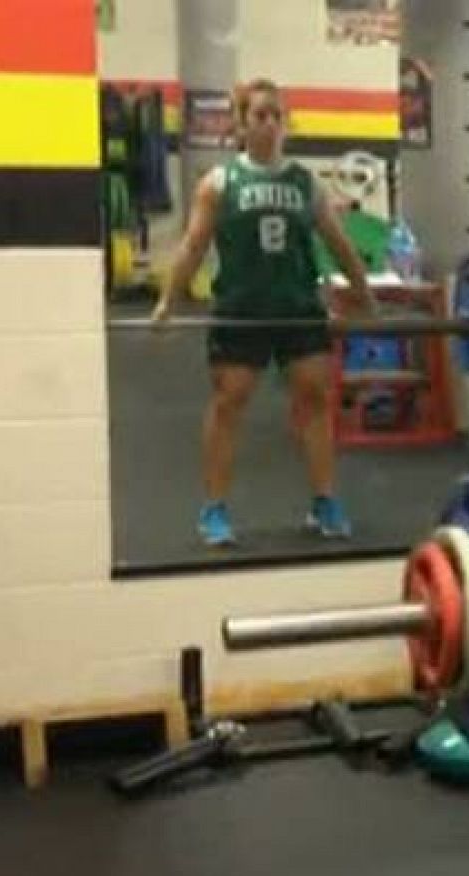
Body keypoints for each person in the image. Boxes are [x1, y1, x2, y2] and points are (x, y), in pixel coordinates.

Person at [153, 78, 376, 548]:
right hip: (242, 309)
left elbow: (339, 243)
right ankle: (213, 510)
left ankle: (324, 501)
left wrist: (365, 295)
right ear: (241, 124)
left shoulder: (306, 183)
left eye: (278, 115)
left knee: (314, 401)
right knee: (229, 404)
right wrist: (166, 304)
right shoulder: (219, 183)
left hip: (298, 307)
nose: (271, 123)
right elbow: (193, 246)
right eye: (261, 115)